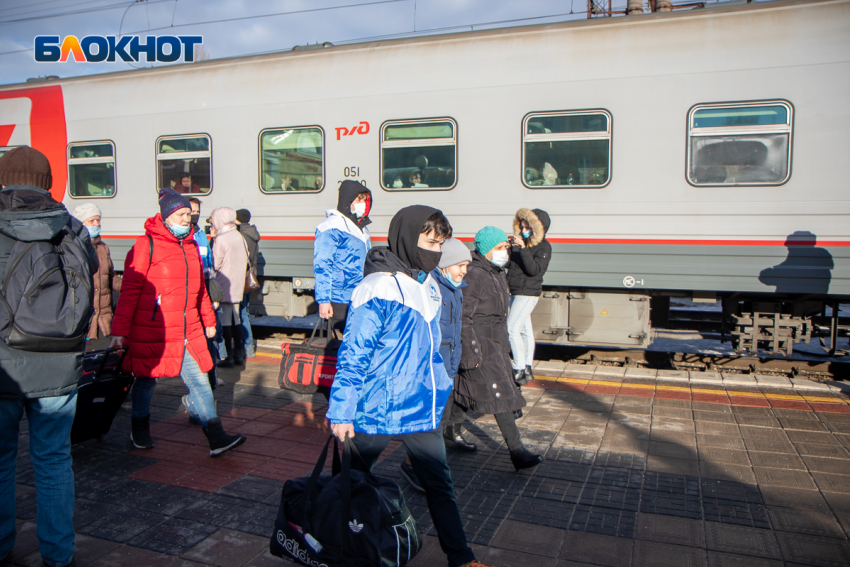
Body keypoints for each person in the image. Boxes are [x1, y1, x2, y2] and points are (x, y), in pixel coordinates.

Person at [328, 206, 497, 567]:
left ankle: (461, 558)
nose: (435, 250)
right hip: (373, 407)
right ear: (406, 236)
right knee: (347, 487)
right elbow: (354, 353)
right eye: (429, 241)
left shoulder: (425, 284)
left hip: (419, 405)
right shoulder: (376, 286)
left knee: (440, 485)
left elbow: (431, 346)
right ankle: (335, 546)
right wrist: (341, 410)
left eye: (440, 243)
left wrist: (441, 383)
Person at [0, 146, 98, 567]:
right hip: (60, 361)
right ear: (47, 182)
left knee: (2, 459)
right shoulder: (73, 227)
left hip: (4, 366)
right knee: (54, 459)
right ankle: (59, 554)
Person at [111, 188, 246, 456]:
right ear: (167, 215)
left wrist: (208, 320)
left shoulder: (190, 247)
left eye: (190, 214)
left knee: (199, 381)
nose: (188, 219)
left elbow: (200, 290)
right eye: (182, 214)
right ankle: (140, 431)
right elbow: (129, 293)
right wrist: (119, 330)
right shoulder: (144, 245)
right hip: (154, 330)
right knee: (146, 380)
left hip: (187, 330)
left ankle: (216, 436)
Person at [450, 226, 544, 471]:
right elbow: (464, 316)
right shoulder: (475, 275)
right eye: (500, 248)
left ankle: (448, 434)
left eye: (505, 248)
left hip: (494, 343)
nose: (505, 252)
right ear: (486, 250)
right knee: (499, 393)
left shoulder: (495, 272)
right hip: (479, 343)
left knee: (464, 390)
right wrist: (470, 350)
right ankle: (517, 450)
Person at [399, 237, 473, 493]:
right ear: (444, 265)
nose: (463, 271)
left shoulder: (456, 288)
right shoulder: (433, 288)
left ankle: (417, 464)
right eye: (459, 265)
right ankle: (414, 465)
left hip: (447, 364)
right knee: (428, 422)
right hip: (433, 363)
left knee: (436, 420)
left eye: (466, 266)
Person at [313, 180, 371, 331]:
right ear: (348, 200)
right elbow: (322, 264)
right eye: (359, 200)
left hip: (357, 295)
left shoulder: (361, 228)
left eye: (364, 200)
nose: (363, 203)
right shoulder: (331, 226)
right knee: (340, 345)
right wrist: (324, 300)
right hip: (338, 298)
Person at [506, 208, 551, 385]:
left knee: (512, 328)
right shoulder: (520, 244)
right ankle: (527, 366)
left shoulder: (544, 247)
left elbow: (534, 270)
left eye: (528, 226)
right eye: (522, 226)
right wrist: (510, 249)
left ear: (538, 227)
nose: (524, 229)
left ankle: (518, 369)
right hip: (515, 290)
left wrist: (523, 249)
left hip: (527, 293)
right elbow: (510, 264)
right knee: (525, 330)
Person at [72, 203, 122, 351]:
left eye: (98, 220)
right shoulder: (73, 247)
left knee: (105, 360)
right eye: (91, 221)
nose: (97, 224)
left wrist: (129, 285)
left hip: (103, 318)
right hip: (82, 318)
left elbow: (111, 277)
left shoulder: (103, 247)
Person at [210, 207, 249, 367]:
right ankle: (239, 355)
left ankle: (229, 357)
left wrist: (213, 240)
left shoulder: (221, 239)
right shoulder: (239, 236)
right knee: (237, 319)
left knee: (225, 320)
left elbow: (215, 264)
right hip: (238, 283)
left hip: (223, 283)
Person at [235, 209, 260, 358]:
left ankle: (247, 347)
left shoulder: (240, 235)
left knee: (242, 312)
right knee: (245, 311)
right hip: (250, 277)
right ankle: (248, 347)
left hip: (241, 277)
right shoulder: (252, 233)